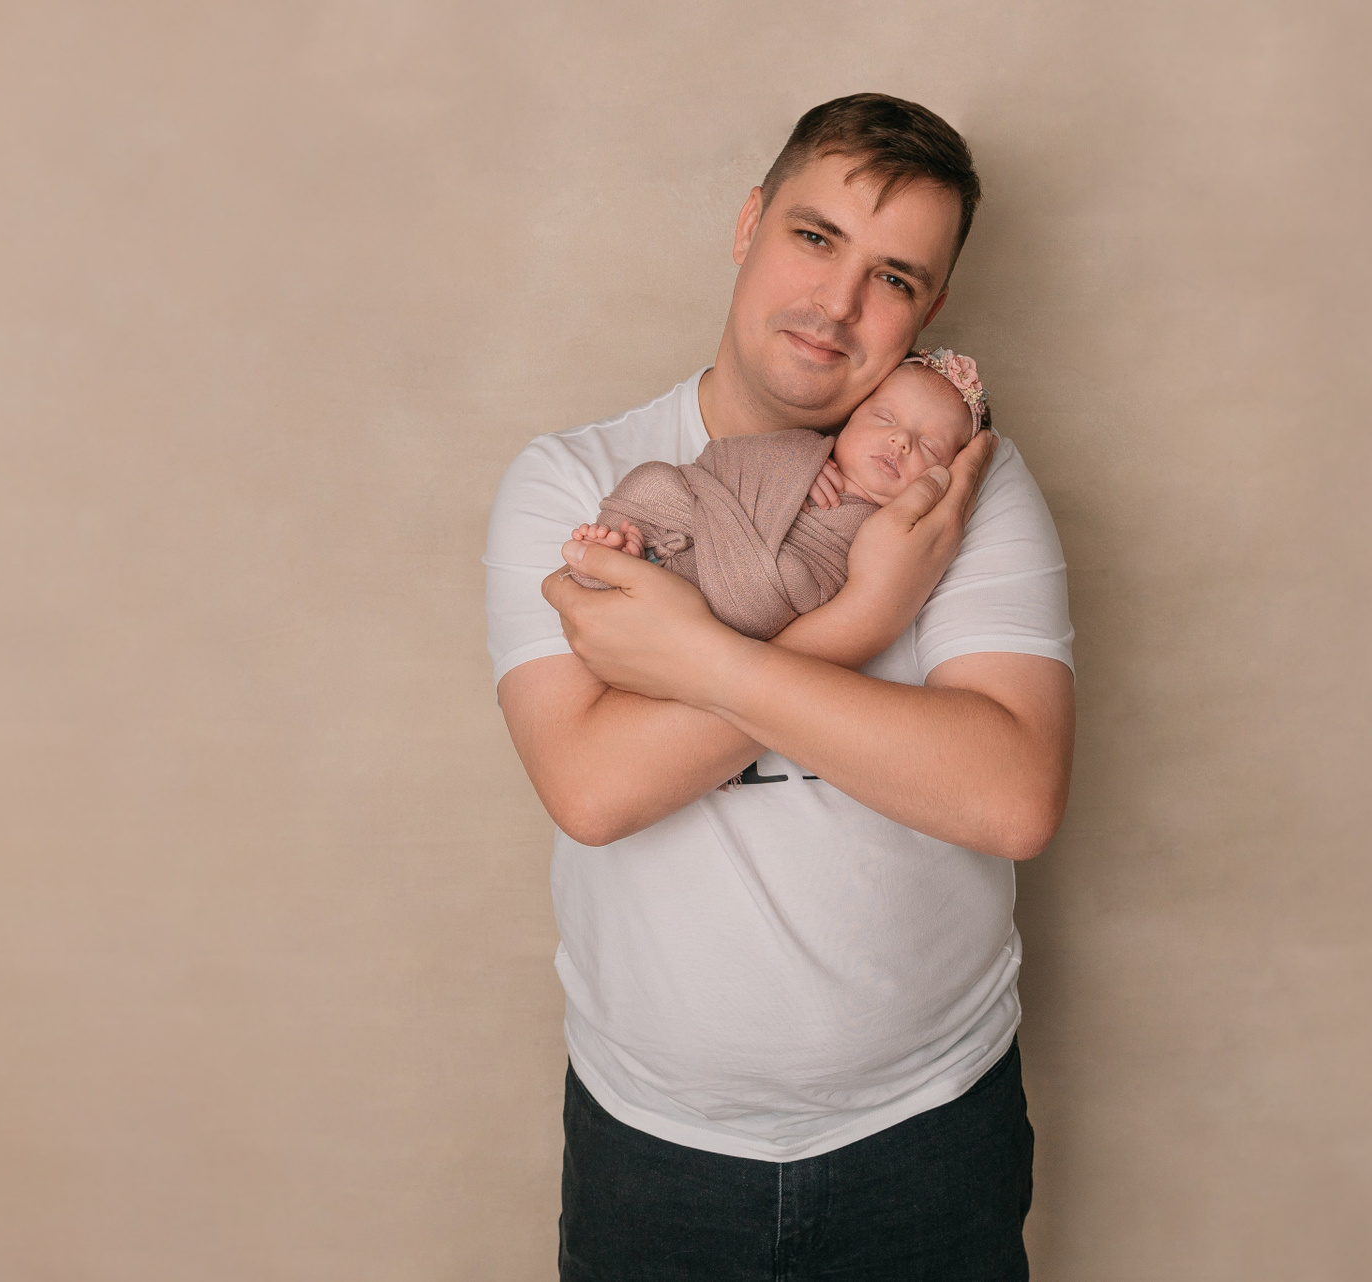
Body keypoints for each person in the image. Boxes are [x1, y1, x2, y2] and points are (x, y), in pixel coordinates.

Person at [484, 92, 1075, 1280]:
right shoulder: (580, 481)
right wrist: (863, 619)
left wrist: (696, 658)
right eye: (815, 237)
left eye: (894, 277)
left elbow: (1010, 795)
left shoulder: (955, 481)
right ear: (749, 222)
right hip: (656, 1150)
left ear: (929, 311)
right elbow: (594, 787)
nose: (838, 303)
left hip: (930, 1132)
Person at [564, 348, 989, 642]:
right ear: (851, 417)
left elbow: (840, 593)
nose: (900, 441)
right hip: (700, 515)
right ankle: (621, 555)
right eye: (884, 417)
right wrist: (795, 465)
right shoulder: (800, 447)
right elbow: (717, 461)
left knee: (775, 589)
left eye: (929, 446)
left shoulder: (893, 530)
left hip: (752, 586)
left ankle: (631, 578)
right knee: (653, 479)